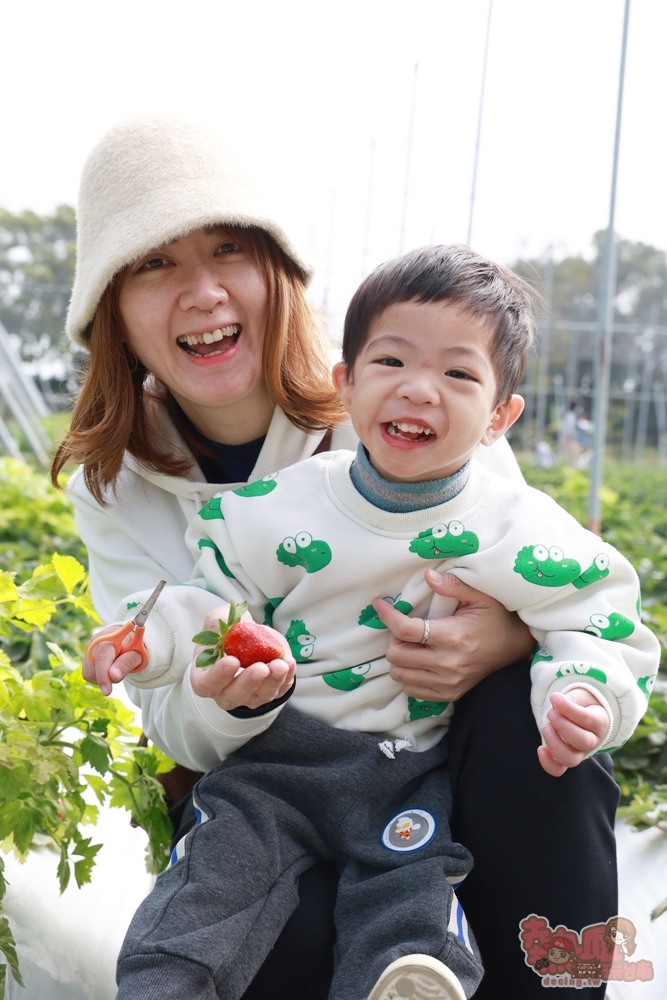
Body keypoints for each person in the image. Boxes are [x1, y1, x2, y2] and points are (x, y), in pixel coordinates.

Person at [55, 115, 621, 998]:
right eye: (154, 264)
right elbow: (169, 716)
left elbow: (529, 562)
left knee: (539, 735)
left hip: (433, 764)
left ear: (278, 274)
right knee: (286, 944)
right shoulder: (116, 486)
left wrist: (509, 643)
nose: (202, 292)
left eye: (229, 250)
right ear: (112, 312)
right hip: (266, 790)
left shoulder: (395, 395)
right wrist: (231, 698)